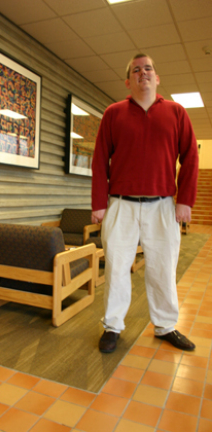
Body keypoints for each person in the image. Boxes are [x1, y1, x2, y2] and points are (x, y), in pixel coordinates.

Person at [91, 53, 199, 353]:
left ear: (157, 77)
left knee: (163, 268)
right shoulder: (114, 113)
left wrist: (185, 200)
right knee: (116, 268)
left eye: (148, 68)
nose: (143, 73)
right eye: (136, 70)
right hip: (120, 205)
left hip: (163, 205)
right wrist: (99, 202)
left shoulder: (176, 113)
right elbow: (99, 158)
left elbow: (191, 156)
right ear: (129, 81)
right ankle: (112, 326)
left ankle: (165, 326)